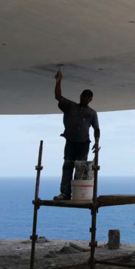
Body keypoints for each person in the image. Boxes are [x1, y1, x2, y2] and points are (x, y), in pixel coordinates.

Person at [53, 70, 100, 201]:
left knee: (81, 168)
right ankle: (65, 193)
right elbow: (58, 96)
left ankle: (79, 194)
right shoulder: (70, 106)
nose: (85, 98)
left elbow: (96, 129)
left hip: (84, 143)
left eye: (87, 97)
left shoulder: (91, 113)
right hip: (71, 142)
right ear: (80, 96)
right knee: (67, 166)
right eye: (83, 96)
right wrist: (58, 81)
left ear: (91, 99)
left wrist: (97, 142)